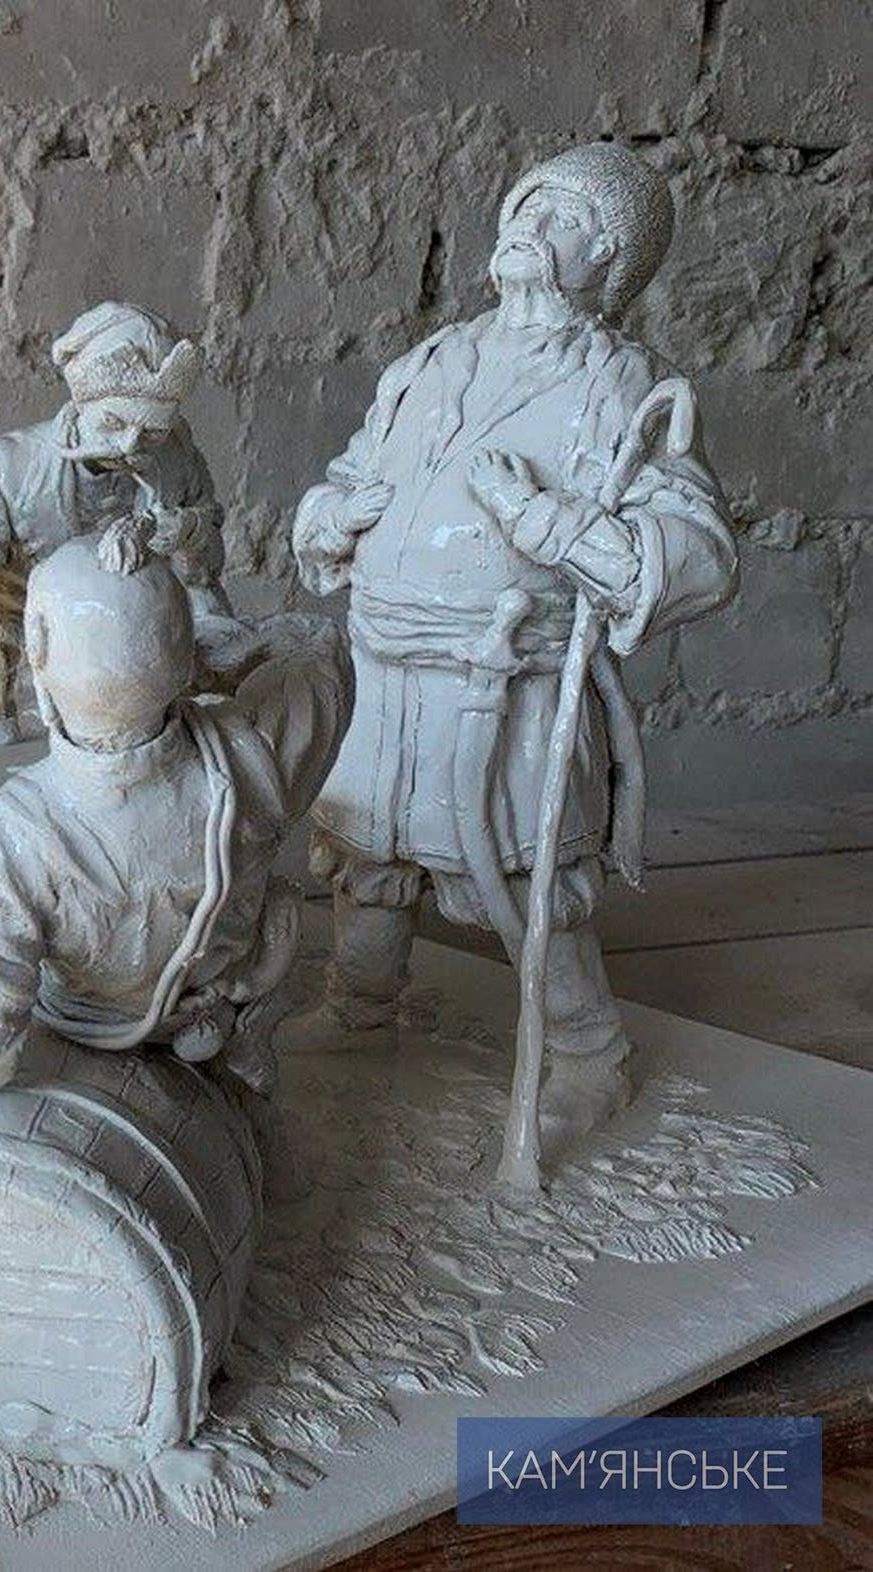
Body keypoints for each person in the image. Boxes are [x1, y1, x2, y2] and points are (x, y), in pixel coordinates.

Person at [285, 141, 737, 1151]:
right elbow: (350, 471)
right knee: (368, 853)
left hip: (508, 676)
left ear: (609, 257)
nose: (531, 225)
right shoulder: (431, 362)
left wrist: (545, 523)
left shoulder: (624, 386)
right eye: (526, 206)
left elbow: (697, 553)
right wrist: (328, 516)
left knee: (527, 877)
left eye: (565, 217)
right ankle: (360, 1006)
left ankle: (588, 1055)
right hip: (387, 664)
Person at [0, 514, 352, 1145]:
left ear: (36, 651)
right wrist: (216, 656)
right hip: (223, 1029)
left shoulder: (8, 839)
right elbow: (319, 649)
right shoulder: (253, 758)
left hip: (83, 1046)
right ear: (183, 652)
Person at [0, 301, 229, 740]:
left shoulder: (178, 463)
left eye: (152, 429)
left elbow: (203, 580)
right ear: (84, 403)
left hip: (130, 664)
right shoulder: (1, 475)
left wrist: (187, 535)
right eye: (114, 422)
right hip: (9, 655)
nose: (131, 443)